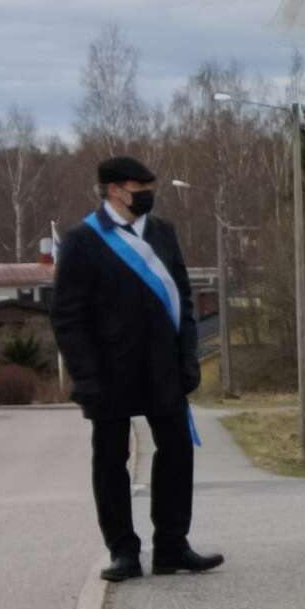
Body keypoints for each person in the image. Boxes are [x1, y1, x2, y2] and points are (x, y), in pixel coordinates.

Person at [51, 156, 223, 582]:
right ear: (113, 190)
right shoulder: (83, 241)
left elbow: (182, 300)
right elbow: (68, 317)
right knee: (111, 461)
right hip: (108, 372)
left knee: (178, 454)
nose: (146, 193)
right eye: (136, 186)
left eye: (149, 185)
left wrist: (189, 358)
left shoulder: (163, 233)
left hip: (163, 368)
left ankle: (171, 545)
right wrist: (85, 376)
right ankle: (124, 551)